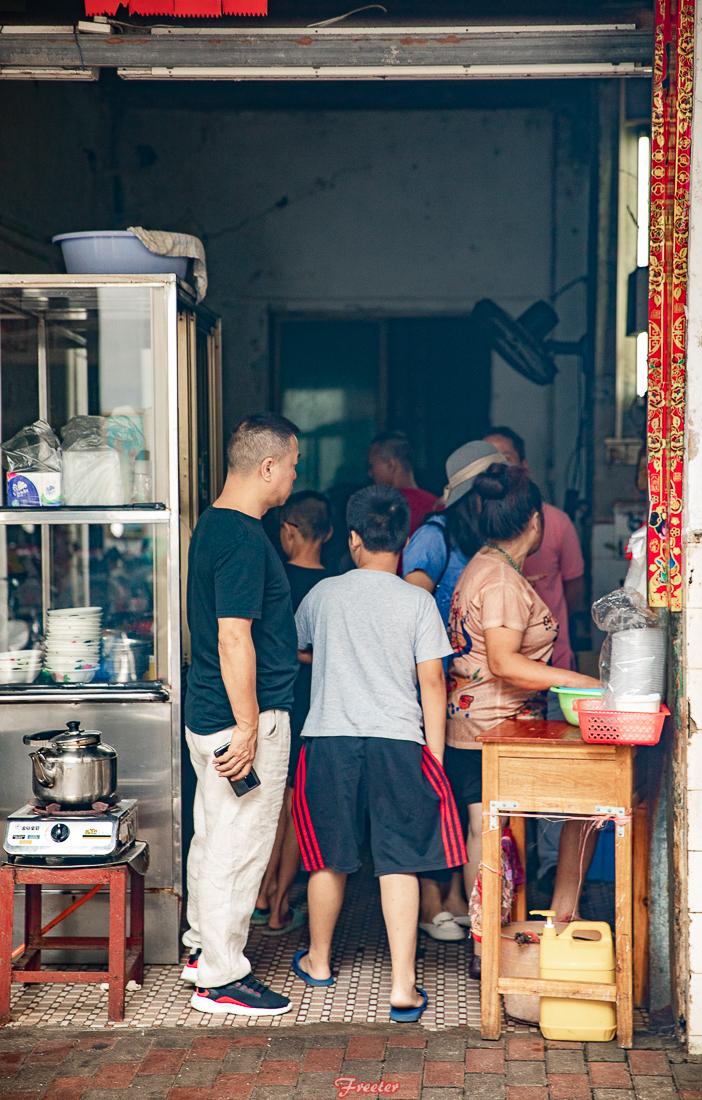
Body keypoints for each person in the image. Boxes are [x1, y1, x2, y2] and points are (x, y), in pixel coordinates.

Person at [290, 485, 466, 1022]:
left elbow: (300, 648)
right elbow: (433, 681)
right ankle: (403, 988)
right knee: (400, 860)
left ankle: (318, 961)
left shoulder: (324, 594)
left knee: (328, 855)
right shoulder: (415, 602)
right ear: (406, 541)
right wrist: (432, 753)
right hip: (398, 741)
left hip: (330, 738)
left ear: (353, 539)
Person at [445, 463, 601, 977]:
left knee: (487, 831)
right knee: (575, 807)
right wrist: (585, 683)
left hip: (478, 724)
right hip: (493, 726)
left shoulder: (485, 566)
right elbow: (505, 662)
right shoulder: (501, 580)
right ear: (534, 520)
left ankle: (493, 940)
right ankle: (524, 931)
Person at [181, 413, 300, 1017]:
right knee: (240, 846)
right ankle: (221, 979)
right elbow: (235, 638)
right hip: (238, 722)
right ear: (269, 467)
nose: (295, 477)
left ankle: (201, 948)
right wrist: (251, 725)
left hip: (208, 711)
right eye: (293, 464)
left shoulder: (210, 525)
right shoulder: (245, 539)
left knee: (213, 835)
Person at [402, 439, 509, 941]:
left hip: (471, 699)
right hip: (431, 687)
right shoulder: (434, 536)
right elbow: (410, 606)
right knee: (430, 794)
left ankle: (455, 897)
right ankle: (428, 904)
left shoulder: (486, 540)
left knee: (462, 797)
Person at [252, 490, 332, 935]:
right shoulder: (335, 585)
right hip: (321, 709)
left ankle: (262, 895)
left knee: (272, 805)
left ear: (287, 529)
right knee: (299, 808)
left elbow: (266, 645)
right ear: (333, 535)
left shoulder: (274, 580)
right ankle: (280, 901)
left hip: (279, 703)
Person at [483, 426, 585, 672]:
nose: (498, 467)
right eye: (488, 461)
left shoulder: (557, 522)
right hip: (496, 671)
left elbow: (575, 590)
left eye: (506, 459)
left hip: (552, 659)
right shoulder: (475, 523)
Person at [368, 430, 437, 535]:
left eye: (371, 465)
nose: (370, 473)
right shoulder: (436, 505)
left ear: (391, 465)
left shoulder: (383, 510)